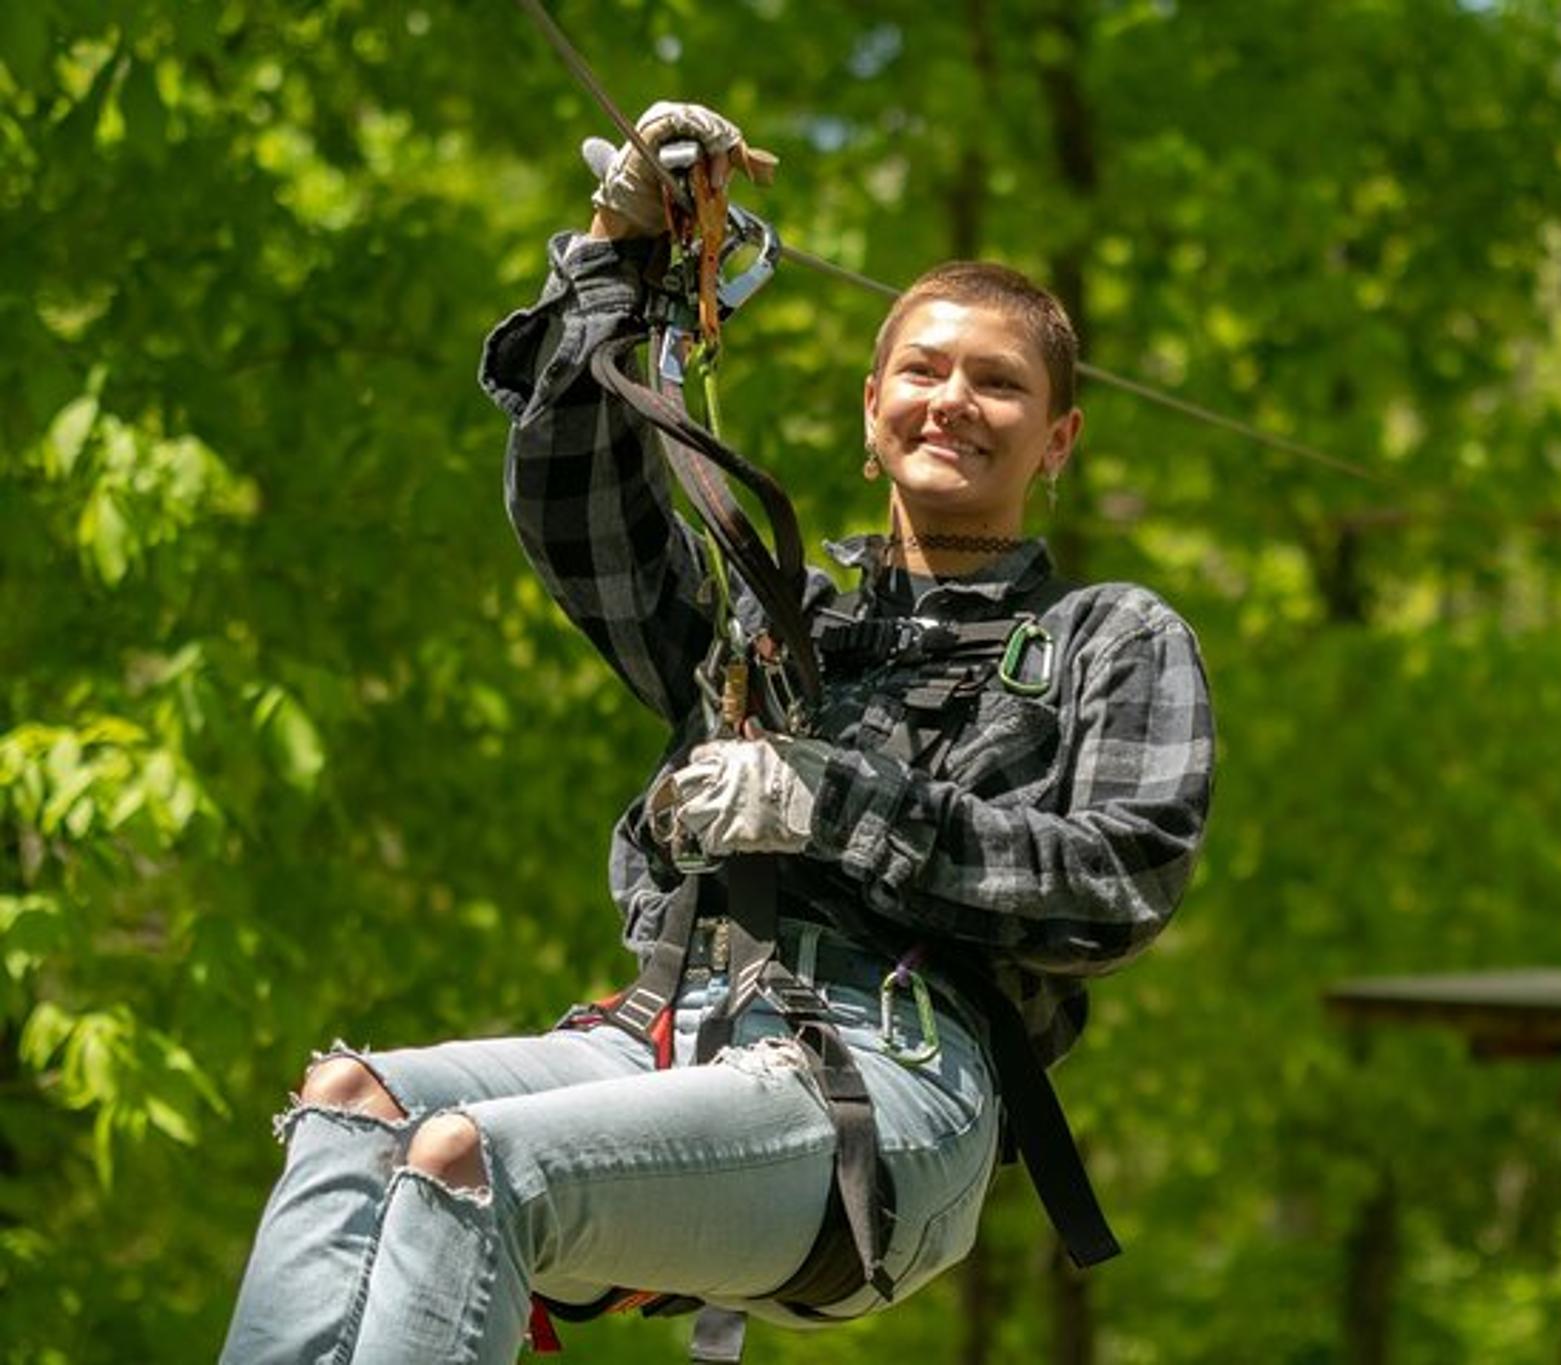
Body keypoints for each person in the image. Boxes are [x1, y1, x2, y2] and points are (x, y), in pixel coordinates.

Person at [222, 102, 1214, 1363]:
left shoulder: (1108, 638)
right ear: (870, 413)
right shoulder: (779, 611)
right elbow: (591, 531)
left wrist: (833, 805)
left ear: (1057, 438)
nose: (951, 401)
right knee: (351, 1110)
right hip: (671, 1036)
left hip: (896, 1087)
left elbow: (1116, 883)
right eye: (921, 371)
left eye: (997, 382)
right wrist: (611, 255)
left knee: (470, 1163)